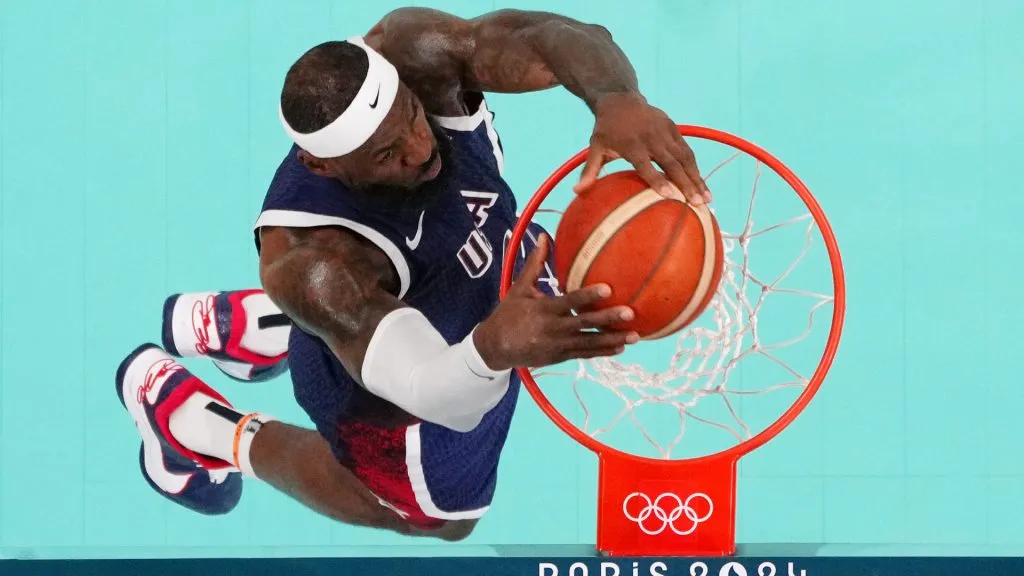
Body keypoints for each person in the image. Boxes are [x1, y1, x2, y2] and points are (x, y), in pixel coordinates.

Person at [115, 7, 710, 540]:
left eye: (412, 119)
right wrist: (492, 348)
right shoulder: (315, 263)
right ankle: (193, 423)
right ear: (319, 164)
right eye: (385, 155)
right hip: (387, 393)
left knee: (425, 279)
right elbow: (435, 392)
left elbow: (557, 36)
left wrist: (616, 97)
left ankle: (271, 327)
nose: (420, 149)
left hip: (429, 288)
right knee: (443, 520)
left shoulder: (412, 50)